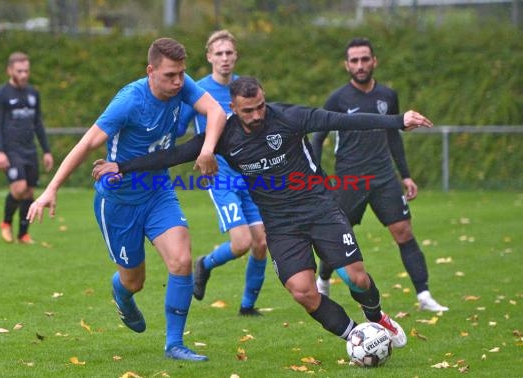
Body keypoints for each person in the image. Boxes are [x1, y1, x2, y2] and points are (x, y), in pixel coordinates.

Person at [92, 76, 434, 351]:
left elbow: (342, 120)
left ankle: (376, 318)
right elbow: (173, 155)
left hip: (319, 207)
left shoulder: (288, 117)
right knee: (303, 291)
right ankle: (357, 339)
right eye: (248, 111)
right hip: (281, 224)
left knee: (356, 277)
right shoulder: (225, 135)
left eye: (260, 107)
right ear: (233, 108)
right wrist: (121, 165)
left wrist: (398, 121)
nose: (257, 115)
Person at [26, 38, 227, 361]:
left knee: (181, 261)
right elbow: (87, 143)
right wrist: (51, 188)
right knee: (135, 280)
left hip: (158, 189)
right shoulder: (129, 101)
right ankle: (122, 294)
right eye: (169, 76)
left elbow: (216, 112)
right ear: (151, 71)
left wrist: (206, 150)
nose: (178, 82)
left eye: (181, 74)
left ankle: (174, 344)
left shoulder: (182, 85)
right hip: (118, 201)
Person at [311, 38, 448, 312]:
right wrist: (317, 175)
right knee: (339, 235)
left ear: (374, 61)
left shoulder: (388, 95)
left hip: (384, 177)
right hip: (350, 178)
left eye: (365, 59)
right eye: (354, 61)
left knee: (404, 232)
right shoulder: (337, 99)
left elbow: (394, 136)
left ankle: (424, 295)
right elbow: (318, 138)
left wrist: (405, 175)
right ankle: (323, 280)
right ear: (346, 65)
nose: (360, 65)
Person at [176, 30, 267, 316]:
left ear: (236, 55)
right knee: (242, 243)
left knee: (262, 242)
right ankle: (205, 264)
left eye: (229, 53)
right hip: (221, 177)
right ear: (209, 57)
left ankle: (247, 306)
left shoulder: (245, 89)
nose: (225, 58)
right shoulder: (198, 91)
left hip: (250, 175)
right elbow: (179, 128)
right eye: (219, 53)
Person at [0, 51, 54, 244]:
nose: (24, 75)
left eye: (26, 70)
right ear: (9, 70)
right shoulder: (1, 95)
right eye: (19, 71)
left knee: (28, 192)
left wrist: (46, 150)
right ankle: (6, 223)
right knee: (19, 188)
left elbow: (38, 123)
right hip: (11, 150)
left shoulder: (33, 93)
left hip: (30, 150)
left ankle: (23, 234)